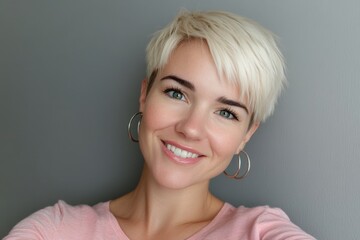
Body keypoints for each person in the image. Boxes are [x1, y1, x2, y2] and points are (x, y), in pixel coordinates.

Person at [4, 10, 315, 240]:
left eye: (226, 113)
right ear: (144, 95)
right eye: (177, 93)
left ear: (247, 134)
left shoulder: (262, 233)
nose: (191, 128)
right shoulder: (53, 230)